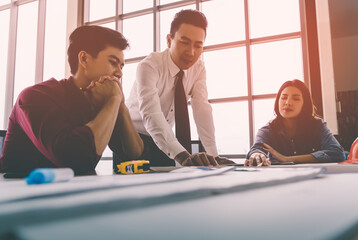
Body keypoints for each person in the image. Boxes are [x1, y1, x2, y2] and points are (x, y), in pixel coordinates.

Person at [0, 25, 144, 175]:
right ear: (84, 59)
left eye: (121, 67)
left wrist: (120, 106)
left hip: (72, 189)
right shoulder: (35, 97)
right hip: (17, 189)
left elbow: (134, 156)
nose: (119, 73)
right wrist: (114, 99)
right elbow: (75, 159)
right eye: (113, 63)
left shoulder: (100, 103)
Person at [114, 9, 234, 167]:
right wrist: (183, 156)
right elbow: (151, 113)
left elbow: (202, 109)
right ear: (169, 40)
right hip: (132, 135)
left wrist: (213, 156)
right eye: (184, 42)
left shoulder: (198, 69)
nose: (191, 52)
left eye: (198, 46)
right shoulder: (149, 66)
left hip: (163, 138)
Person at [245, 79, 345, 167]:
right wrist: (256, 155)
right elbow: (256, 149)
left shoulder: (317, 126)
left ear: (304, 104)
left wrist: (287, 159)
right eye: (283, 98)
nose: (288, 102)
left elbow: (337, 153)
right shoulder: (267, 130)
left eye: (296, 99)